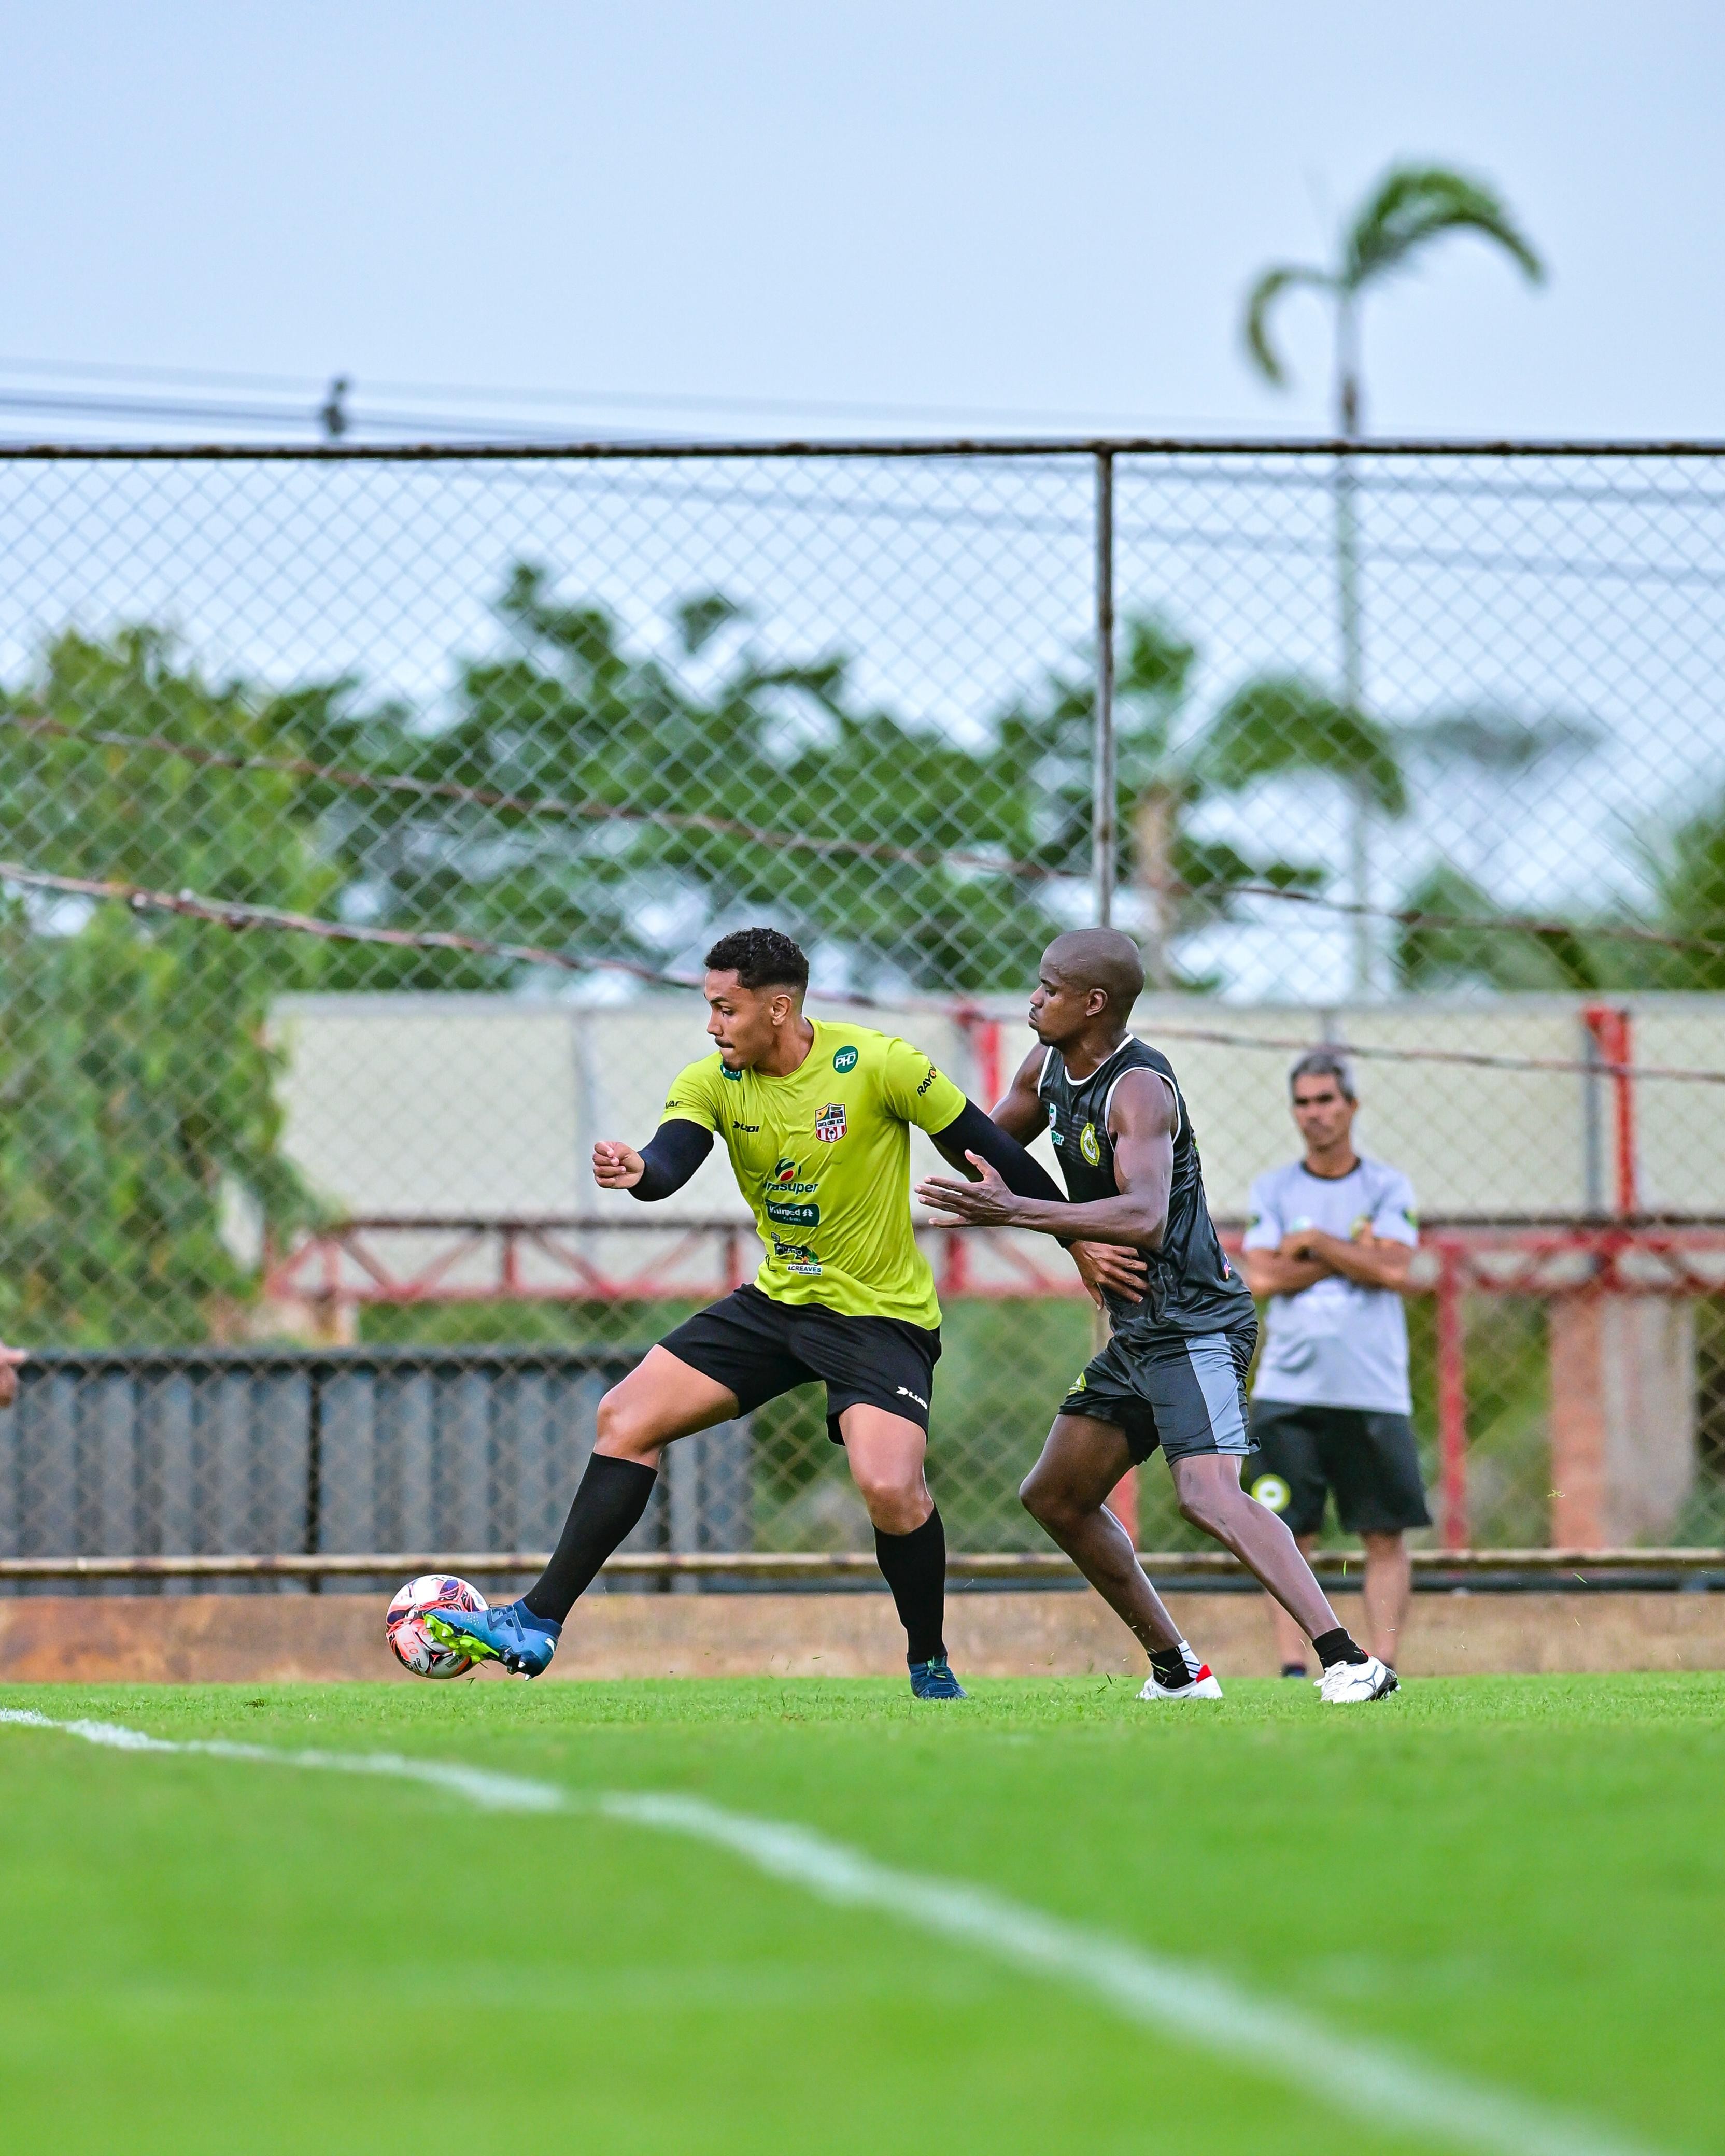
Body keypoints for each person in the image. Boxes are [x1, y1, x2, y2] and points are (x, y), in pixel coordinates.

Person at [429, 925, 1137, 1697]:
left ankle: (928, 1661)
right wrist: (638, 1172)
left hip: (879, 1317)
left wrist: (1072, 1235)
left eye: (725, 1009)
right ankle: (538, 1622)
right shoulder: (712, 1080)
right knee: (624, 1418)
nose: (712, 1025)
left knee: (890, 1489)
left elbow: (985, 1147)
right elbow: (671, 1161)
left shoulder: (878, 1063)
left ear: (778, 1008)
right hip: (777, 1304)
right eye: (709, 1008)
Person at [916, 929, 1399, 1705]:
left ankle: (1351, 1661)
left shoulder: (1140, 1090)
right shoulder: (1045, 1065)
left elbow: (1144, 1215)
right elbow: (984, 1149)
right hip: (1139, 1332)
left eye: (1048, 988)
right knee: (1056, 1497)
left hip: (1197, 1321)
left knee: (1208, 1496)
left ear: (1093, 1003)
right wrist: (898, 1096)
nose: (1032, 1000)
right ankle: (1178, 1671)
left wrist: (1019, 1212)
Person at [1239, 1050, 1429, 1677]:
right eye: (1303, 1101)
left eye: (1325, 1100)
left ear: (1350, 1105)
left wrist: (1314, 1242)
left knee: (1384, 1533)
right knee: (1283, 1533)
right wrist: (1355, 1251)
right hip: (1288, 1390)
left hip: (1372, 1390)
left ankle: (1385, 1659)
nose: (1314, 1113)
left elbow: (1396, 1269)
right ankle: (1296, 1666)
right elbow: (1261, 1274)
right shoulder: (1274, 1188)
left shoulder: (1386, 1184)